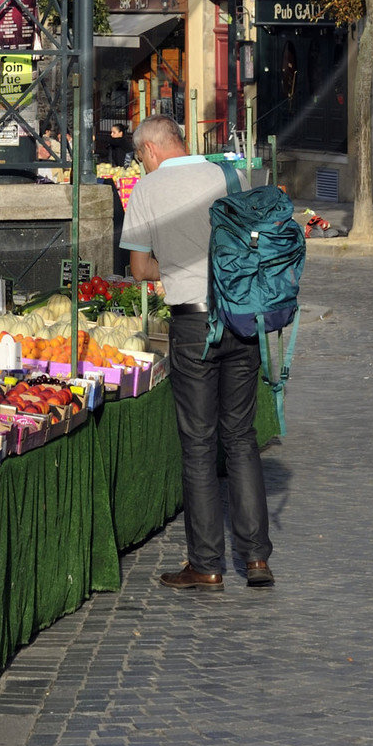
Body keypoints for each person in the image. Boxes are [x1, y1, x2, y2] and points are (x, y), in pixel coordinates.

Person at [123, 114, 273, 594]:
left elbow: (141, 267)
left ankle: (207, 563)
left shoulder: (146, 190)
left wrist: (172, 265)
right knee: (242, 438)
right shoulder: (228, 174)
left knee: (199, 444)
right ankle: (256, 560)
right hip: (241, 317)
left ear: (149, 151)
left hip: (192, 322)